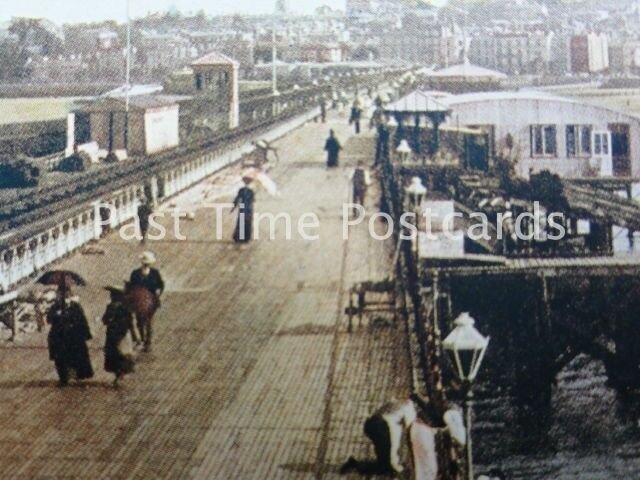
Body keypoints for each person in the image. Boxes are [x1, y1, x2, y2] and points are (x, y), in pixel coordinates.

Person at [340, 397, 419, 475]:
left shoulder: (398, 402)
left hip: (370, 424)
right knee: (387, 465)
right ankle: (358, 465)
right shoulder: (409, 409)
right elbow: (408, 433)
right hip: (381, 426)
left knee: (384, 461)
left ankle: (355, 464)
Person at [47, 289, 94, 387]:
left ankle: (76, 375)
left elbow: (81, 320)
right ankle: (63, 378)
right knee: (60, 358)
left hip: (73, 336)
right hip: (59, 337)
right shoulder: (55, 307)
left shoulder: (75, 307)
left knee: (74, 357)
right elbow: (49, 319)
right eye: (59, 296)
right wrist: (57, 315)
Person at [102, 286, 137, 386]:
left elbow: (104, 320)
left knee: (116, 353)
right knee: (121, 353)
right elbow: (130, 322)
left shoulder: (111, 307)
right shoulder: (125, 307)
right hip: (122, 333)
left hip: (115, 333)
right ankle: (120, 373)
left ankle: (118, 374)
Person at [232, 177, 255, 243]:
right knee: (245, 222)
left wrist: (234, 206)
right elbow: (252, 200)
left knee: (242, 222)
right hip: (247, 208)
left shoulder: (241, 190)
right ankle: (245, 238)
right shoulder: (250, 191)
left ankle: (240, 237)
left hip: (244, 207)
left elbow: (237, 199)